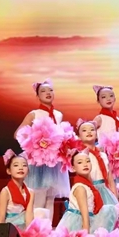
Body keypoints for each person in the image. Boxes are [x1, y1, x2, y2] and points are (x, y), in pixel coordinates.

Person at [15, 79, 70, 220]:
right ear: (38, 96)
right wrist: (34, 141)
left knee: (50, 198)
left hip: (53, 161)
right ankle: (36, 227)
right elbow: (18, 134)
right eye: (43, 91)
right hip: (38, 162)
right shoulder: (34, 114)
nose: (48, 93)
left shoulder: (58, 114)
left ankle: (47, 229)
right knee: (39, 196)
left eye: (50, 90)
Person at [56, 151, 119, 233]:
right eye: (80, 162)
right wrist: (86, 235)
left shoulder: (87, 186)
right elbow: (85, 216)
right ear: (73, 168)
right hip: (79, 223)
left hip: (88, 219)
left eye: (88, 161)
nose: (85, 164)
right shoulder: (80, 188)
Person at [0, 151, 35, 229]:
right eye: (16, 165)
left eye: (24, 165)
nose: (21, 168)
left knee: (39, 213)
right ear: (8, 171)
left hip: (21, 222)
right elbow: (1, 217)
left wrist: (29, 233)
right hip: (8, 224)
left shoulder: (30, 192)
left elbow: (29, 215)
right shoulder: (5, 191)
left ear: (28, 171)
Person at [76, 119, 118, 205]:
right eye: (84, 130)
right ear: (79, 136)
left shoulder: (103, 155)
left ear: (96, 134)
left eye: (92, 129)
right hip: (90, 192)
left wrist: (115, 198)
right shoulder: (80, 155)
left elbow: (110, 179)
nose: (89, 132)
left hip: (105, 192)